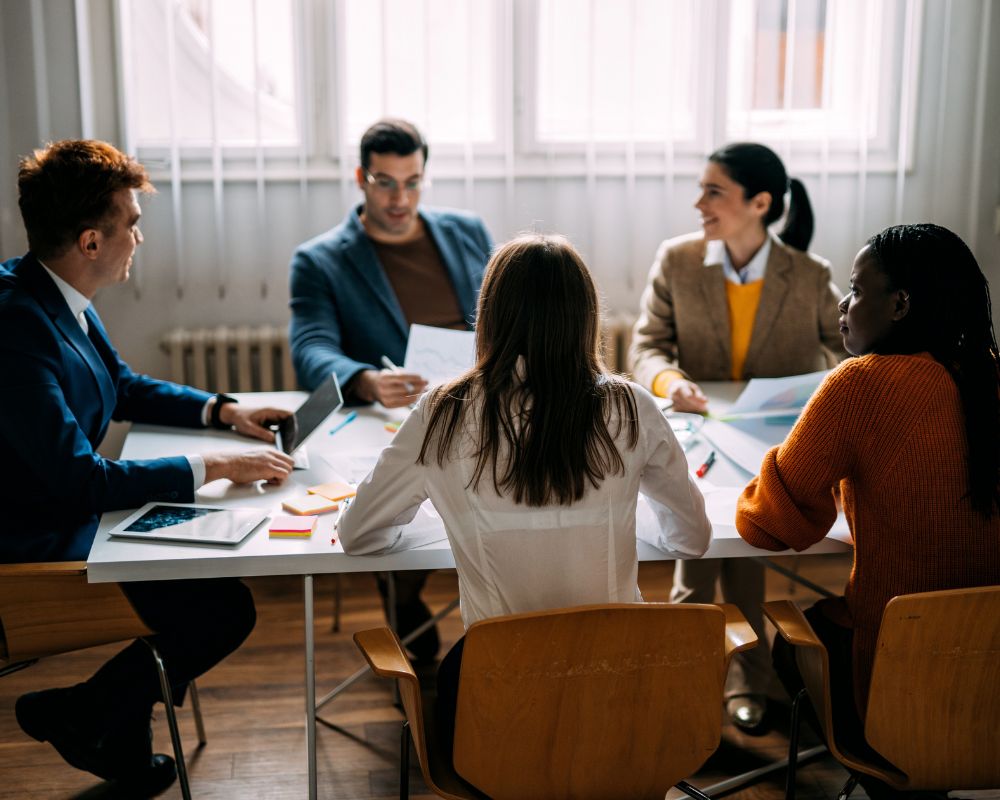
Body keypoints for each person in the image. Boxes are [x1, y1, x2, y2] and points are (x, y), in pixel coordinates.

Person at [338, 234, 713, 756]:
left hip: (500, 708)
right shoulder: (631, 406)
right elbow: (692, 540)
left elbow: (356, 535)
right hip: (619, 693)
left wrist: (448, 512)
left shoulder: (442, 413)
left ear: (490, 318)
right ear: (586, 318)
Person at [0, 139, 295, 795]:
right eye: (131, 223)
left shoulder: (54, 293)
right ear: (91, 241)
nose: (140, 236)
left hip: (66, 513)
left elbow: (123, 384)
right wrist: (211, 465)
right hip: (31, 546)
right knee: (222, 610)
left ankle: (104, 728)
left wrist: (223, 411)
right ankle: (86, 713)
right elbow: (82, 482)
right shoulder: (16, 330)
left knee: (211, 581)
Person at [736, 223, 1000, 798]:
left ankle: (893, 783)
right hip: (988, 675)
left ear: (900, 304)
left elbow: (770, 523)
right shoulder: (987, 375)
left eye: (857, 290)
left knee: (794, 640)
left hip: (894, 680)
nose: (844, 305)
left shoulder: (863, 383)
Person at [628, 142, 846, 731]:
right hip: (698, 435)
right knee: (695, 551)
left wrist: (810, 385)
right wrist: (670, 382)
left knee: (745, 543)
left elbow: (843, 352)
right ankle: (687, 689)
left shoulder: (808, 274)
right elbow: (645, 346)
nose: (698, 203)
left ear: (760, 203)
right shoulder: (677, 260)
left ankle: (737, 680)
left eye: (713, 191)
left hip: (775, 443)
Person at [289, 118, 493, 661]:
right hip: (397, 416)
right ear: (361, 177)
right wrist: (367, 380)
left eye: (413, 181)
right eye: (386, 182)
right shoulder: (321, 259)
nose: (401, 198)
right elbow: (309, 347)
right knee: (412, 489)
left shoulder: (467, 231)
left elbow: (505, 312)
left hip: (485, 399)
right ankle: (403, 594)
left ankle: (499, 618)